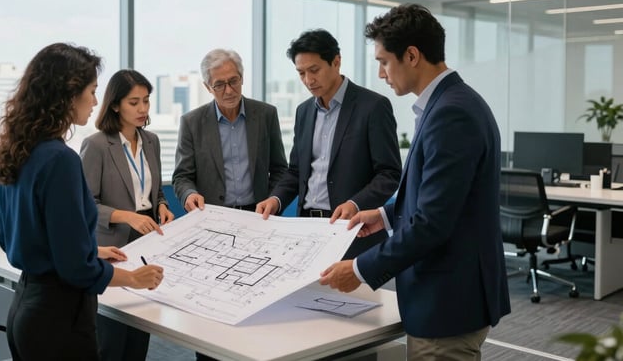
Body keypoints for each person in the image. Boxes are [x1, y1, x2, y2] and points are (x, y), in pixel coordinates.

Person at [319, 4, 511, 360]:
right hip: (450, 294)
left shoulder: (451, 113)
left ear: (411, 55)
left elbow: (433, 223)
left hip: (448, 302)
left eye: (384, 61)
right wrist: (385, 214)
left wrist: (360, 270)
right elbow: (440, 196)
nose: (380, 74)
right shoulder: (449, 103)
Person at [0, 43, 164, 361]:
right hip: (59, 320)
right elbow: (75, 269)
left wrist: (91, 250)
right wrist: (133, 279)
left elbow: (12, 239)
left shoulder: (19, 150)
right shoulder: (60, 159)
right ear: (69, 94)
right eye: (92, 90)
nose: (96, 100)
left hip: (25, 309)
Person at [256, 29, 401, 258]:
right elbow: (296, 171)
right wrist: (276, 199)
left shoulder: (373, 107)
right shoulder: (303, 111)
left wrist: (355, 203)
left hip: (354, 230)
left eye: (314, 70)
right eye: (301, 73)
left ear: (336, 61)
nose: (308, 80)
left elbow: (389, 173)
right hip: (307, 232)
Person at [80, 69, 175, 361]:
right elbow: (86, 205)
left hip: (149, 237)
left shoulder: (152, 141)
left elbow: (155, 191)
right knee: (112, 338)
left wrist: (162, 206)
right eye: (134, 102)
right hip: (114, 244)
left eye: (146, 101)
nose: (143, 109)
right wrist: (127, 216)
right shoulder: (97, 145)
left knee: (140, 330)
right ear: (116, 104)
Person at [173, 48, 287, 212]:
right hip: (213, 214)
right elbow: (182, 176)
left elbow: (279, 169)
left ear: (242, 78)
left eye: (233, 81)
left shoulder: (266, 115)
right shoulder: (192, 123)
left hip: (258, 214)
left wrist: (272, 200)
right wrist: (189, 194)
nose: (229, 91)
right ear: (208, 87)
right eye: (219, 85)